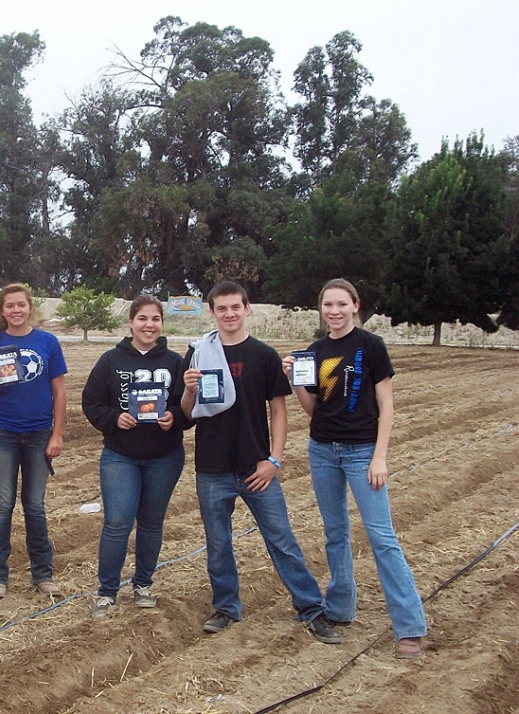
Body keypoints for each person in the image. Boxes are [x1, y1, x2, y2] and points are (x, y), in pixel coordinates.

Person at [179, 281, 341, 644]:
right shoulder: (199, 354)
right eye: (222, 309)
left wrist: (274, 460)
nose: (229, 314)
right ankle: (226, 608)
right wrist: (189, 389)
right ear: (212, 312)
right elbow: (187, 416)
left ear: (247, 308)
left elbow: (279, 412)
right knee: (218, 543)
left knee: (281, 539)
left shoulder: (264, 355)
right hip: (212, 467)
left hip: (257, 467)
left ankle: (311, 608)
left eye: (236, 307)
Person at [283, 278, 427, 658]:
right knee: (335, 533)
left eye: (341, 304)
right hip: (323, 451)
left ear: (354, 306)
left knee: (382, 537)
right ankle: (340, 608)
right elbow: (315, 409)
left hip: (363, 452)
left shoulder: (371, 346)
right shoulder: (315, 352)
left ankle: (409, 625)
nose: (334, 311)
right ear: (321, 309)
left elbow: (388, 406)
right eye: (328, 305)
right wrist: (295, 380)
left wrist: (380, 456)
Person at [81, 295, 193, 618]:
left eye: (155, 319)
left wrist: (176, 417)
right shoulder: (111, 361)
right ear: (130, 323)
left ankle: (143, 584)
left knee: (151, 523)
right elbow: (91, 402)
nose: (149, 325)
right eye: (142, 318)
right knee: (117, 522)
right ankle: (107, 591)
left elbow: (187, 406)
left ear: (162, 323)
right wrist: (114, 419)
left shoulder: (174, 362)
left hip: (165, 456)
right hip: (121, 455)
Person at [0, 284, 67, 600]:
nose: (16, 310)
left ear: (30, 308)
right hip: (4, 434)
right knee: (2, 504)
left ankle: (43, 574)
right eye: (9, 306)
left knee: (35, 505)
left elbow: (60, 391)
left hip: (40, 434)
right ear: (2, 312)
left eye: (21, 305)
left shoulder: (47, 342)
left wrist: (57, 434)